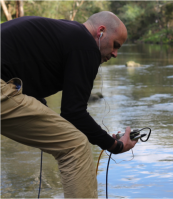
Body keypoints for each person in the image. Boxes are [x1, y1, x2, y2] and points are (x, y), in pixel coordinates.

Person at [0, 11, 137, 198]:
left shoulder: (69, 32)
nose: (115, 54)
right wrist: (114, 145)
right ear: (101, 32)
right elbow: (74, 113)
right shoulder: (86, 45)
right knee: (75, 145)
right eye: (115, 45)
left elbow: (25, 64)